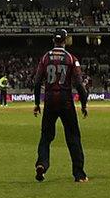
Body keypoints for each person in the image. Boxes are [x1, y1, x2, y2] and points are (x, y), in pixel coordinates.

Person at [32, 31, 89, 183]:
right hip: (66, 100)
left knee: (46, 136)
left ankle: (42, 164)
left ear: (53, 40)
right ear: (65, 40)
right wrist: (84, 104)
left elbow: (37, 83)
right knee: (73, 137)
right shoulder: (71, 58)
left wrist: (37, 103)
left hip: (50, 100)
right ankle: (79, 174)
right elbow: (79, 84)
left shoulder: (45, 58)